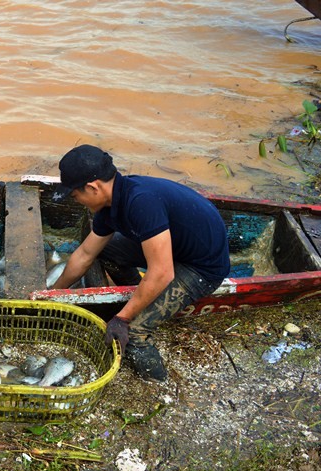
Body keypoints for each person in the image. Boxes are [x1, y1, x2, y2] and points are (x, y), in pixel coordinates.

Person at [50, 145, 230, 381]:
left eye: (75, 196)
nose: (77, 202)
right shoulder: (110, 205)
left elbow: (163, 272)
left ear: (93, 187)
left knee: (134, 334)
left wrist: (122, 319)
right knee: (105, 252)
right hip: (173, 249)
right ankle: (141, 296)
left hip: (202, 267)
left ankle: (158, 383)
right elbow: (85, 254)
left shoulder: (141, 202)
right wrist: (53, 294)